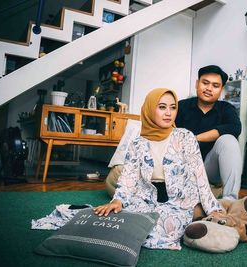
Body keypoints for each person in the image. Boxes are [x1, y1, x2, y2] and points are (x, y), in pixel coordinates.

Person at [94, 88, 223, 250]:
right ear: (149, 109)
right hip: (145, 199)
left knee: (166, 227)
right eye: (162, 107)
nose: (168, 113)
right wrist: (118, 201)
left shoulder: (185, 137)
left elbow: (200, 175)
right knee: (116, 222)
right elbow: (129, 178)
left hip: (180, 201)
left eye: (173, 107)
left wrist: (213, 209)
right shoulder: (137, 144)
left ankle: (196, 214)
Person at [175, 65, 242, 200]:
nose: (209, 88)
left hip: (209, 168)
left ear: (221, 90)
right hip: (183, 165)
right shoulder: (181, 106)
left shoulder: (226, 108)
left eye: (215, 85)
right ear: (197, 83)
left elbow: (235, 127)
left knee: (228, 139)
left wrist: (195, 138)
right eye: (205, 83)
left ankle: (230, 199)